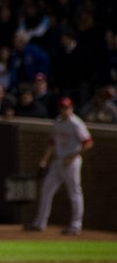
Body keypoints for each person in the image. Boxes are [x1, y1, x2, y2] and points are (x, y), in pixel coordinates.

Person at [24, 97, 94, 235]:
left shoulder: (76, 124)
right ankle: (40, 223)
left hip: (72, 162)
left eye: (67, 108)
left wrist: (72, 157)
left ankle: (75, 226)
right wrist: (44, 160)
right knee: (46, 190)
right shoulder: (57, 122)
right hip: (58, 161)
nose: (65, 110)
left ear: (71, 108)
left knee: (74, 193)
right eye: (63, 108)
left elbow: (88, 143)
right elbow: (52, 143)